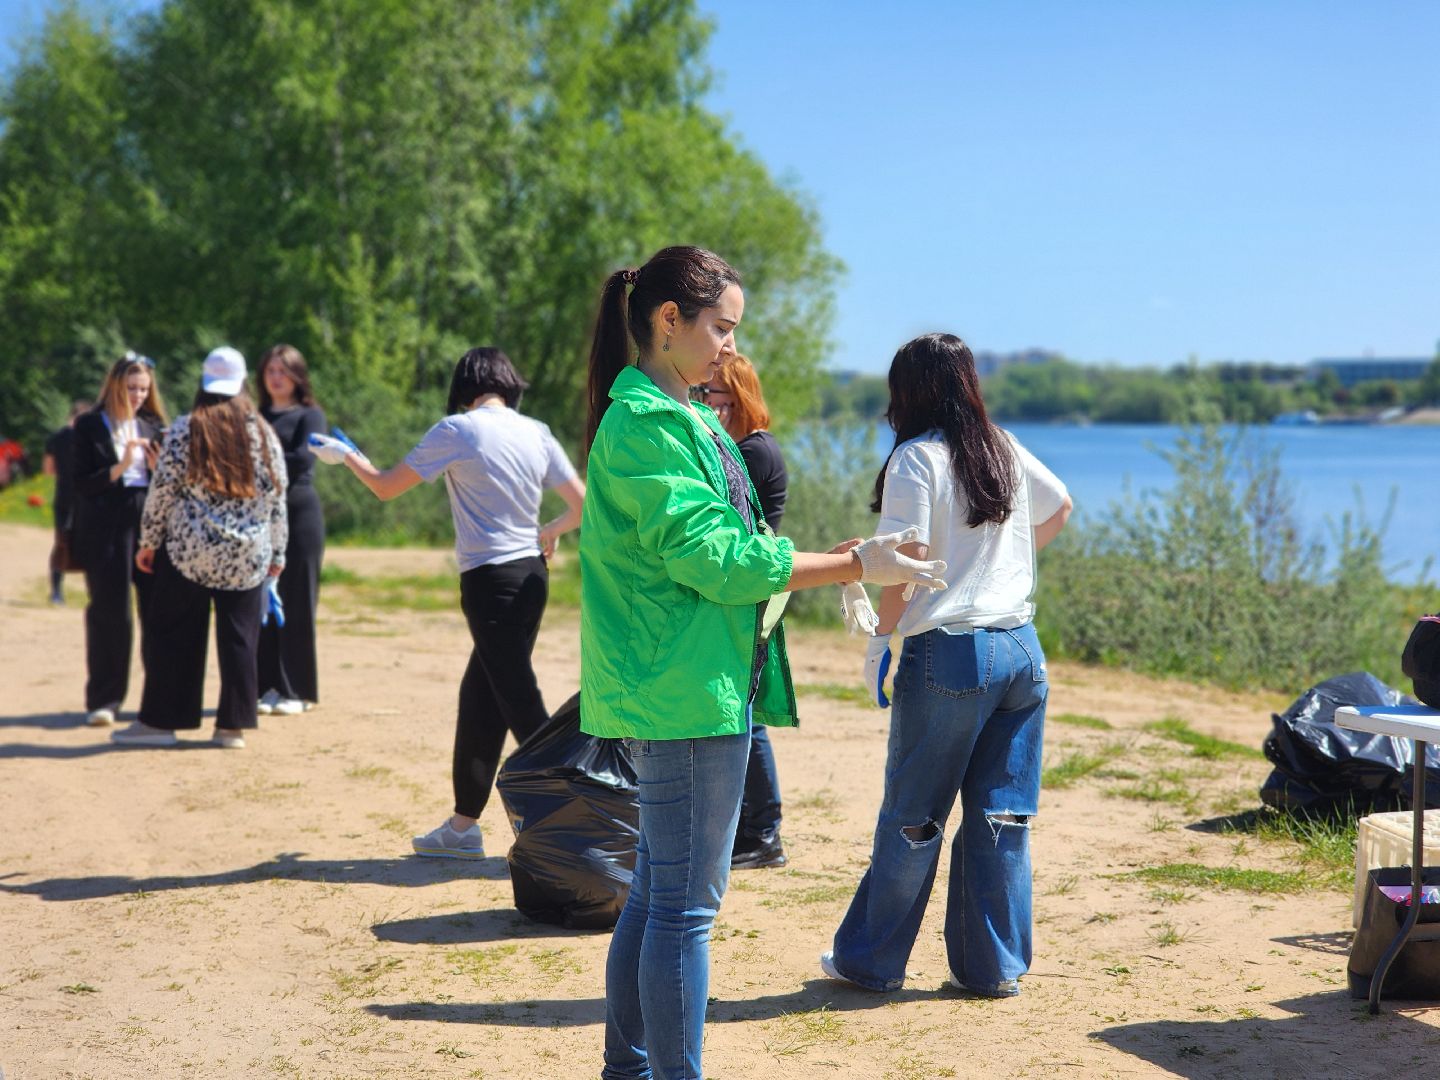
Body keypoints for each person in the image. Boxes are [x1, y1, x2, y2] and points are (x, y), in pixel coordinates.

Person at [580, 245, 948, 1080]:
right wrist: (855, 568)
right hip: (679, 691)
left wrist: (843, 555)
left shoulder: (687, 417)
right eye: (720, 327)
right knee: (684, 909)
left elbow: (742, 549)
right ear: (667, 321)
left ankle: (628, 1070)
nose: (729, 349)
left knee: (658, 893)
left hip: (694, 681)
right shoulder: (645, 425)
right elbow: (718, 563)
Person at [821, 332, 1072, 1000]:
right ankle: (993, 969)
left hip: (951, 651)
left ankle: (872, 962)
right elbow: (1060, 508)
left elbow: (909, 559)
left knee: (913, 815)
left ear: (907, 392)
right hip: (1020, 645)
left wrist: (883, 633)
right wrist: (1002, 565)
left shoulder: (914, 457)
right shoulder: (1004, 446)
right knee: (1003, 816)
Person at [310, 347, 586, 859]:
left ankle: (571, 823)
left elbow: (386, 488)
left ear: (464, 385)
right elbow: (582, 504)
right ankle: (462, 828)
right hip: (531, 577)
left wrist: (345, 455)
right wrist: (550, 530)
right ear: (509, 384)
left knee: (519, 700)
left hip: (489, 582)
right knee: (481, 697)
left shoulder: (458, 430)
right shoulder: (538, 431)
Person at [112, 347, 288, 749]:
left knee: (172, 633)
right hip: (248, 555)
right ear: (242, 384)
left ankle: (161, 724)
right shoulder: (263, 433)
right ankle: (232, 729)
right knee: (241, 638)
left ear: (204, 385)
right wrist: (277, 553)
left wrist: (149, 541)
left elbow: (163, 490)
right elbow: (277, 498)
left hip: (190, 551)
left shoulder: (184, 428)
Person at [693, 355, 790, 869]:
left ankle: (763, 832)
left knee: (746, 717)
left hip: (751, 592)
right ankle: (756, 830)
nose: (712, 407)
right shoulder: (750, 445)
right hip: (752, 589)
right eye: (709, 397)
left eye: (721, 399)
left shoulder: (752, 449)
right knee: (744, 714)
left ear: (743, 400)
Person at [71, 353, 168, 726]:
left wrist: (159, 472)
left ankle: (157, 699)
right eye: (131, 388)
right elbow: (81, 484)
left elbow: (169, 487)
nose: (138, 395)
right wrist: (122, 466)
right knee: (110, 614)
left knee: (156, 615)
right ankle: (105, 699)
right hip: (105, 529)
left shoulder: (153, 425)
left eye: (144, 389)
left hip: (149, 527)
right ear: (114, 385)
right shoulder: (90, 426)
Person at [255, 344, 328, 716]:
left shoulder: (310, 415)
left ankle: (296, 689)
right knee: (263, 602)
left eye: (283, 371)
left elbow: (301, 458)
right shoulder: (255, 415)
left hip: (299, 514)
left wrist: (258, 458)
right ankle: (267, 685)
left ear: (298, 375)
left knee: (296, 601)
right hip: (259, 517)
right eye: (270, 371)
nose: (276, 377)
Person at [42, 400, 91, 605]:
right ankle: (94, 593)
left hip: (64, 496)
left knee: (61, 544)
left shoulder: (56, 438)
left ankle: (56, 592)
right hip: (88, 499)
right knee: (91, 546)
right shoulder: (91, 439)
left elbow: (48, 470)